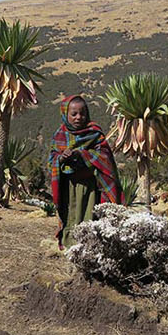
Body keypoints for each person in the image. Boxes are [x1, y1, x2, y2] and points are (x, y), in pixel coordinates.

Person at [47, 94, 123, 247]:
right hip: (68, 186)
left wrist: (82, 154)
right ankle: (70, 246)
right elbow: (52, 160)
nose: (78, 117)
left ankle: (88, 248)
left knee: (89, 216)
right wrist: (61, 159)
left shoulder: (94, 133)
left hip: (91, 187)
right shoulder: (60, 135)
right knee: (70, 215)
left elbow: (105, 156)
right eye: (73, 114)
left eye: (82, 113)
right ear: (65, 114)